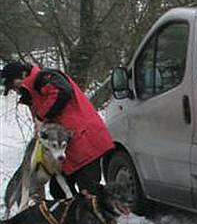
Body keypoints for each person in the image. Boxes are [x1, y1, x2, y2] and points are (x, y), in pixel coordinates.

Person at [1, 60, 115, 197]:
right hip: (68, 149)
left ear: (23, 74)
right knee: (58, 191)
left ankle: (100, 212)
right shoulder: (34, 91)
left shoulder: (45, 77)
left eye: (13, 84)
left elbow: (62, 92)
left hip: (85, 141)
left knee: (88, 192)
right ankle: (73, 214)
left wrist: (41, 117)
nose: (14, 90)